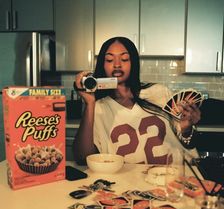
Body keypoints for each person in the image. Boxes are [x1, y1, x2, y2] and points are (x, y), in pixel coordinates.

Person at [73, 37, 201, 165]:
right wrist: (89, 103)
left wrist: (187, 129)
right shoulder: (98, 108)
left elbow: (187, 142)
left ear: (133, 62)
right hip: (127, 183)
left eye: (124, 59)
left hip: (170, 178)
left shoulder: (159, 93)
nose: (117, 64)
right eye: (109, 59)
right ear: (103, 64)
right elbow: (83, 158)